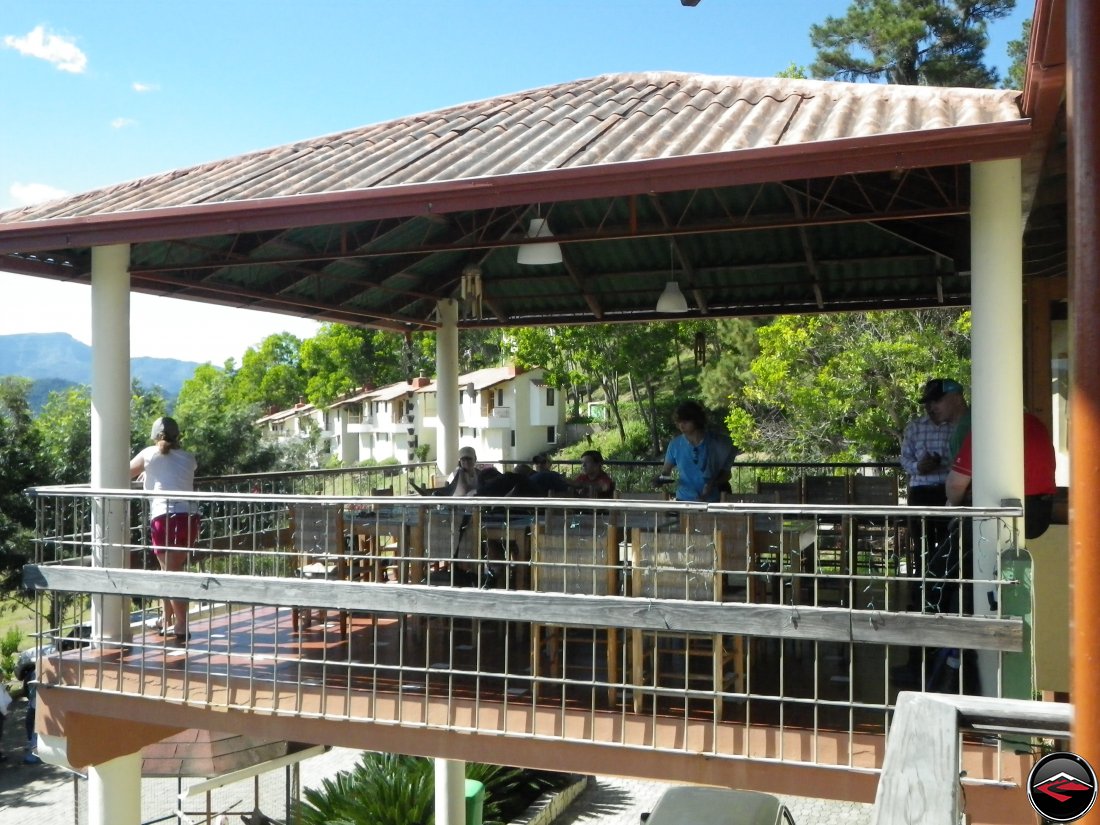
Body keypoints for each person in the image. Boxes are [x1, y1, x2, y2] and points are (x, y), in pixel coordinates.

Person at [130, 416, 199, 644]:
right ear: (178, 436)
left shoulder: (149, 454)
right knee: (169, 571)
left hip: (165, 517)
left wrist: (147, 474)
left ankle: (180, 624)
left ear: (154, 436)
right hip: (189, 517)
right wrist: (151, 474)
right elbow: (174, 474)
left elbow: (123, 471)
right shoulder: (189, 458)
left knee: (171, 574)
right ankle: (166, 619)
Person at [946, 411, 1057, 539]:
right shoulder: (1037, 423)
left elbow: (955, 485)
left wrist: (953, 506)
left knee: (952, 556)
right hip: (1041, 511)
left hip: (1001, 513)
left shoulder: (986, 427)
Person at [653, 401, 735, 502]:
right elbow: (666, 472)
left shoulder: (717, 442)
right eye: (679, 422)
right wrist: (660, 480)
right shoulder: (675, 444)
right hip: (684, 499)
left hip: (712, 500)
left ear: (696, 420)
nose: (681, 425)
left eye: (686, 421)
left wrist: (712, 484)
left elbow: (726, 474)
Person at [921, 378, 970, 462]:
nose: (932, 408)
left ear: (957, 399)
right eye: (930, 403)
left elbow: (962, 474)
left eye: (938, 400)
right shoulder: (974, 419)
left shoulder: (963, 430)